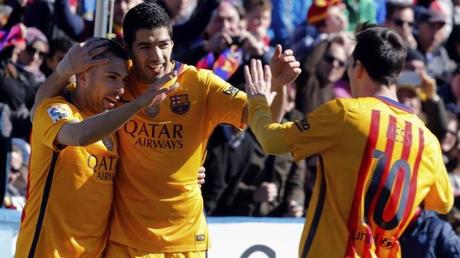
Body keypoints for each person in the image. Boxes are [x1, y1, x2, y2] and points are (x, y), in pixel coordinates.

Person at [35, 2, 301, 257]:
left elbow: (265, 126)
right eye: (145, 47)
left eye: (163, 45)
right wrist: (63, 70)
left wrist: (276, 87)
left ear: (173, 43)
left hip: (186, 240)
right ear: (128, 48)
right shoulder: (116, 79)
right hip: (126, 242)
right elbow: (45, 108)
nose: (156, 56)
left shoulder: (201, 84)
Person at [244, 25, 453, 257]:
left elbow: (271, 141)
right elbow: (443, 203)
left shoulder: (346, 114)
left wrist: (259, 100)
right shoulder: (428, 140)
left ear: (358, 68)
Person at [15, 38, 176, 257]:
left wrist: (183, 170)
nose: (120, 88)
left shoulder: (115, 120)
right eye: (111, 77)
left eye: (123, 80)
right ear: (83, 76)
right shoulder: (54, 110)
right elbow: (79, 135)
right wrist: (138, 105)